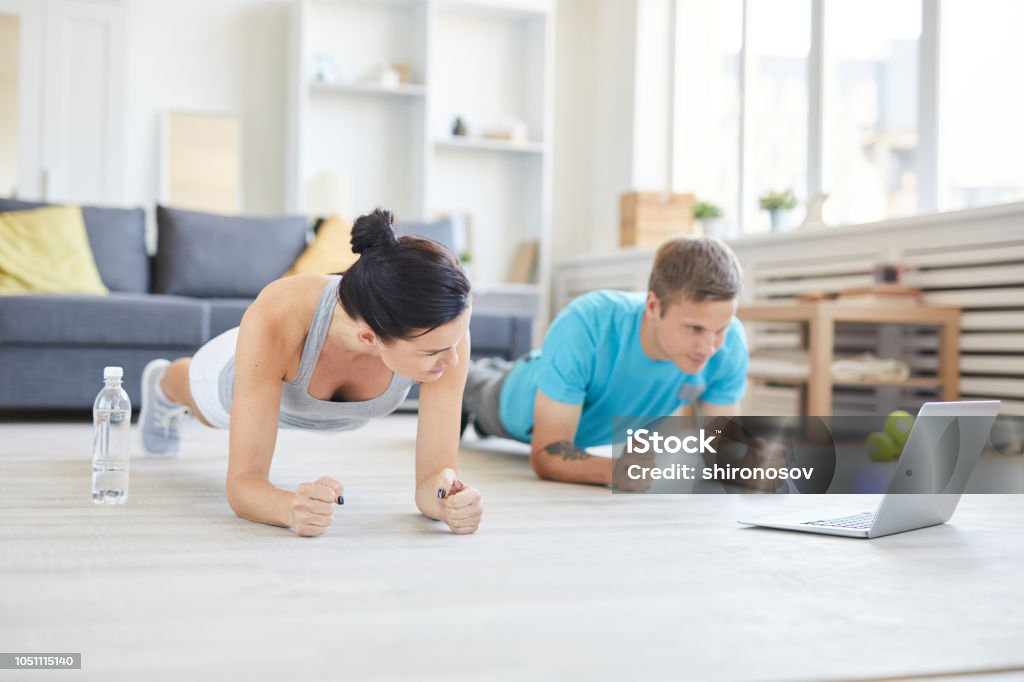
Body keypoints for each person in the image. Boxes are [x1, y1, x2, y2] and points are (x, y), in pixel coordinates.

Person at [139, 209, 484, 536]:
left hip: (302, 386)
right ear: (369, 337)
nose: (454, 361)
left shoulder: (442, 330)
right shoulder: (281, 312)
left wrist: (447, 500)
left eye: (454, 345)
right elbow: (243, 485)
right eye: (434, 352)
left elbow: (430, 484)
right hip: (233, 373)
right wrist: (290, 507)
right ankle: (162, 383)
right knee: (201, 403)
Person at [462, 236, 777, 489]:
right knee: (471, 384)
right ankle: (479, 382)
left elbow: (720, 449)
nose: (709, 347)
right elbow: (548, 454)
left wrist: (743, 468)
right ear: (653, 305)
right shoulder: (587, 321)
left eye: (720, 329)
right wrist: (613, 470)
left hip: (583, 421)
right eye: (694, 328)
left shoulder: (729, 341)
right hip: (514, 400)